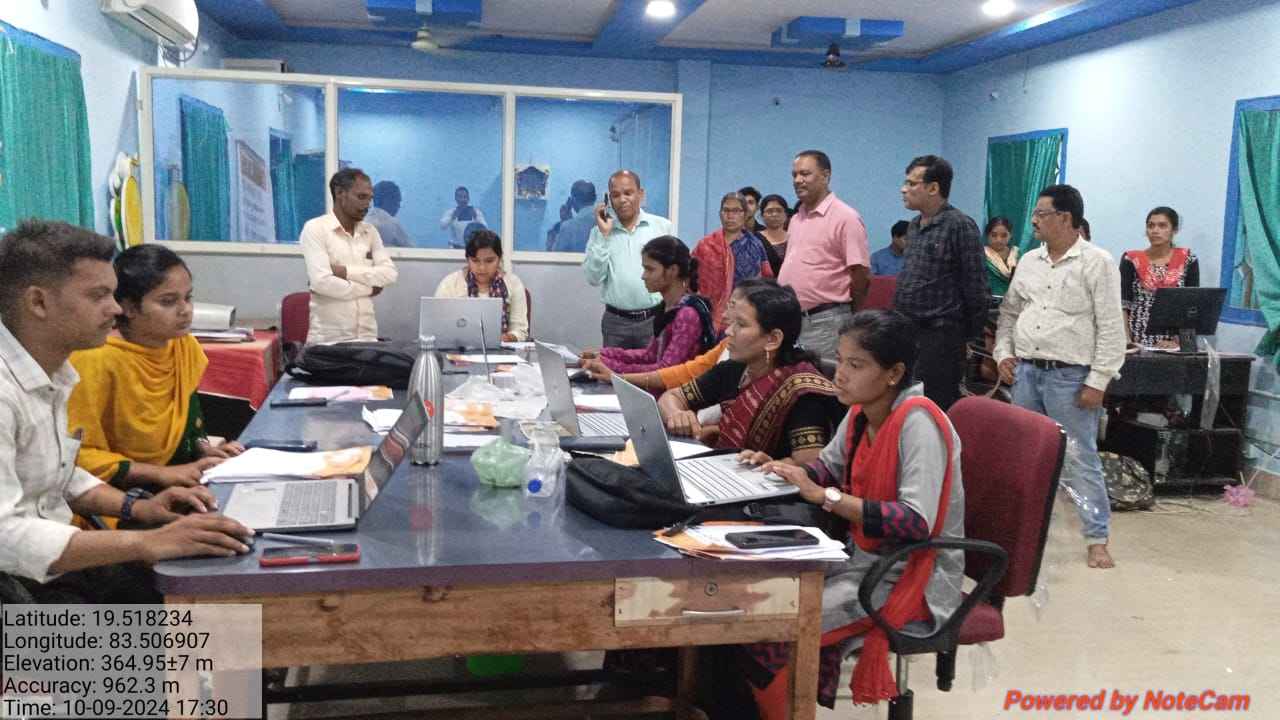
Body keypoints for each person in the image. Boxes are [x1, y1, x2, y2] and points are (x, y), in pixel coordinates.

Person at [0, 220, 253, 604]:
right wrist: (144, 542)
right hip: (18, 590)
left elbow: (57, 474)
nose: (116, 308)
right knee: (209, 632)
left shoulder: (54, 372)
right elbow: (5, 537)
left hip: (56, 568)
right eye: (99, 295)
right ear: (38, 302)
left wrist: (140, 507)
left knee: (225, 604)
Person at [739, 309, 965, 716]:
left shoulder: (919, 423)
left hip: (908, 575)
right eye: (841, 361)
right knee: (754, 600)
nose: (840, 375)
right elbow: (826, 468)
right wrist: (781, 468)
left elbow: (916, 521)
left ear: (894, 373)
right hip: (861, 560)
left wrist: (826, 497)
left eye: (856, 365)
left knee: (774, 629)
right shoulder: (863, 411)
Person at [995, 184, 1125, 569]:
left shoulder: (1097, 262)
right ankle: (1018, 531)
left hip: (1071, 378)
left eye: (1042, 213)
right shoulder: (1029, 261)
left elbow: (1111, 327)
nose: (1034, 220)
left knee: (1079, 457)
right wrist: (1004, 353)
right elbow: (1010, 313)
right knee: (1022, 455)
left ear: (1065, 218)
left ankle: (1096, 538)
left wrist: (1098, 380)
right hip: (1027, 373)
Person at [68, 244, 243, 503]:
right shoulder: (94, 358)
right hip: (119, 496)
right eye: (168, 301)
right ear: (128, 307)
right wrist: (161, 474)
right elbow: (77, 456)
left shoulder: (182, 345)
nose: (185, 310)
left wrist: (205, 451)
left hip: (183, 479)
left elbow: (187, 421)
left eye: (188, 297)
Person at [657, 282, 843, 463]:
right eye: (732, 323)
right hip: (728, 472)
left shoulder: (801, 394)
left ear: (773, 339)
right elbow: (672, 396)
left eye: (741, 324)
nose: (729, 331)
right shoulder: (736, 367)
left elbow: (809, 462)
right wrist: (676, 414)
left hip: (765, 482)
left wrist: (771, 464)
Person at [893, 155, 990, 411]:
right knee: (906, 404)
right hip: (908, 331)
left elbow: (976, 287)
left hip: (940, 337)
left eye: (911, 183)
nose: (903, 189)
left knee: (932, 407)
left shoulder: (959, 225)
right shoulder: (914, 226)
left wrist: (965, 337)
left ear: (933, 188)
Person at [776, 150, 870, 363]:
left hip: (825, 322)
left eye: (805, 174)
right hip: (792, 320)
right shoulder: (796, 218)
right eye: (794, 175)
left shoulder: (846, 218)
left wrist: (848, 314)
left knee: (822, 381)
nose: (797, 180)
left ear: (826, 176)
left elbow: (861, 274)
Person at [581, 236, 714, 377]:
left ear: (672, 270)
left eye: (650, 269)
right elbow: (650, 355)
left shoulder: (688, 314)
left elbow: (664, 371)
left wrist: (610, 366)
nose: (643, 276)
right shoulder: (667, 307)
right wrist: (602, 355)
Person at [299, 168, 399, 345]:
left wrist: (343, 272)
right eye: (361, 197)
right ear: (340, 193)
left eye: (370, 198)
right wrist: (369, 289)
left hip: (367, 337)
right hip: (328, 341)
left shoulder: (370, 232)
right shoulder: (315, 229)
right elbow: (322, 283)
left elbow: (390, 274)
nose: (367, 204)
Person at [584, 170, 676, 349]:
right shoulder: (599, 233)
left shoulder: (662, 227)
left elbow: (674, 275)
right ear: (609, 200)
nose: (622, 199)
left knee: (653, 367)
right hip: (615, 323)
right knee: (612, 367)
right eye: (615, 195)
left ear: (640, 194)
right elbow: (593, 278)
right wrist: (604, 236)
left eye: (628, 193)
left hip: (654, 319)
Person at [693, 192, 774, 334]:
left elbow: (765, 281)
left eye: (736, 211)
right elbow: (690, 279)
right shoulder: (705, 245)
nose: (730, 216)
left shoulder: (755, 246)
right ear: (720, 214)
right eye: (726, 210)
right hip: (707, 319)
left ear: (745, 214)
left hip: (743, 320)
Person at [1121, 206, 1199, 348]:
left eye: (1162, 226)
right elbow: (1123, 305)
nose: (1155, 230)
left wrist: (1179, 343)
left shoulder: (1187, 260)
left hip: (1174, 345)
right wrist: (1127, 343)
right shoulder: (1131, 260)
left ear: (1174, 230)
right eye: (1151, 226)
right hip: (1137, 341)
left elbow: (1191, 306)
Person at [434, 229, 530, 342]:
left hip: (502, 349)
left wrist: (502, 339)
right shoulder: (450, 284)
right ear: (468, 260)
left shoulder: (513, 283)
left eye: (489, 261)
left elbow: (520, 330)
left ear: (499, 259)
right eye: (475, 261)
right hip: (458, 348)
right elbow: (437, 327)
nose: (482, 268)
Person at [547, 180, 598, 252]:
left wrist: (565, 221)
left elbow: (555, 255)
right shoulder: (609, 221)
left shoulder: (568, 227)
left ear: (573, 200)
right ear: (595, 198)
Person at [365, 180, 412, 248]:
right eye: (397, 201)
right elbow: (411, 248)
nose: (398, 206)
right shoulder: (391, 224)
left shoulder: (363, 220)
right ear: (388, 200)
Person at [983, 216, 1018, 297]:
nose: (999, 240)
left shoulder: (1017, 253)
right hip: (989, 301)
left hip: (1015, 301)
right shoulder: (981, 255)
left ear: (1010, 235)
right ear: (987, 235)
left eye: (1004, 235)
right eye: (994, 235)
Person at [758, 194, 791, 272]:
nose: (774, 214)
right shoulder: (755, 240)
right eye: (769, 211)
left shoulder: (794, 238)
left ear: (786, 215)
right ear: (762, 215)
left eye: (779, 211)